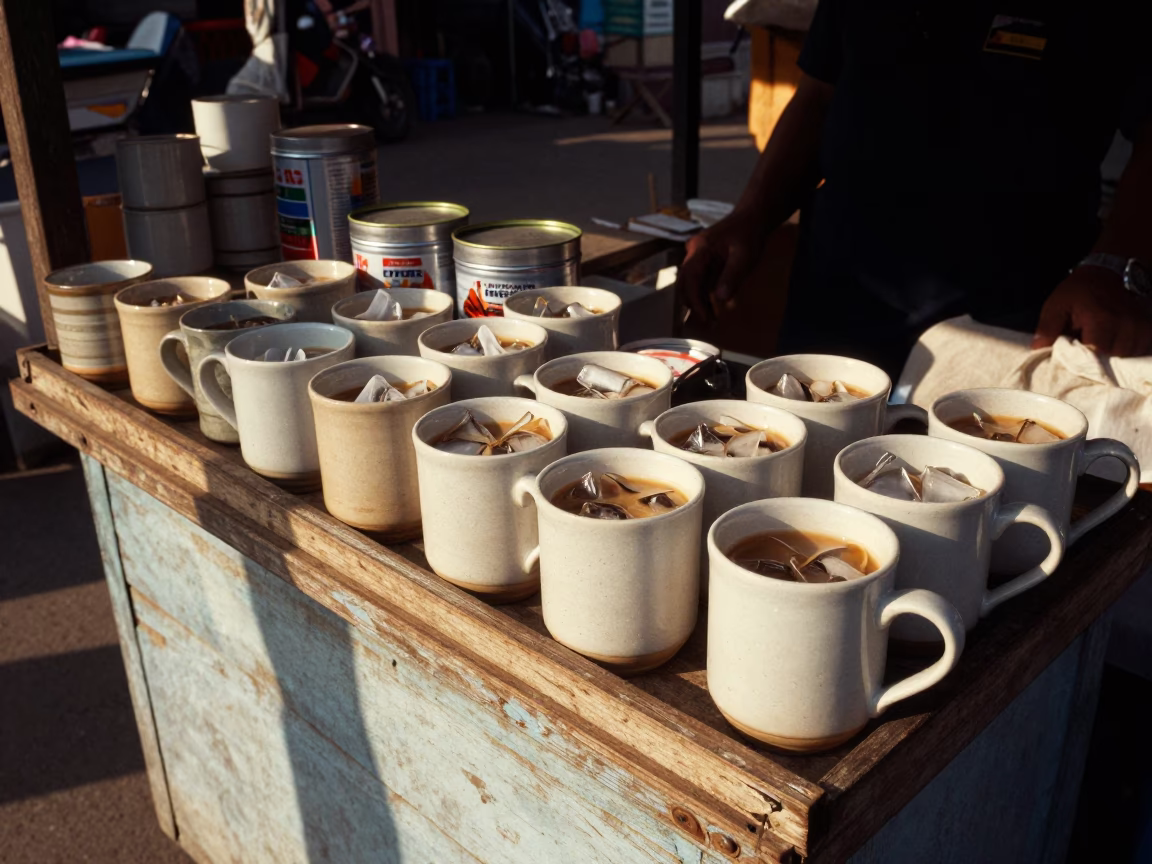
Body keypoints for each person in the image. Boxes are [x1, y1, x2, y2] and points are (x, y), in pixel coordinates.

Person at [681, 1, 1152, 377]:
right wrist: (751, 215)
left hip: (1012, 309)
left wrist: (1113, 264)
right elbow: (819, 94)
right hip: (837, 295)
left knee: (981, 482)